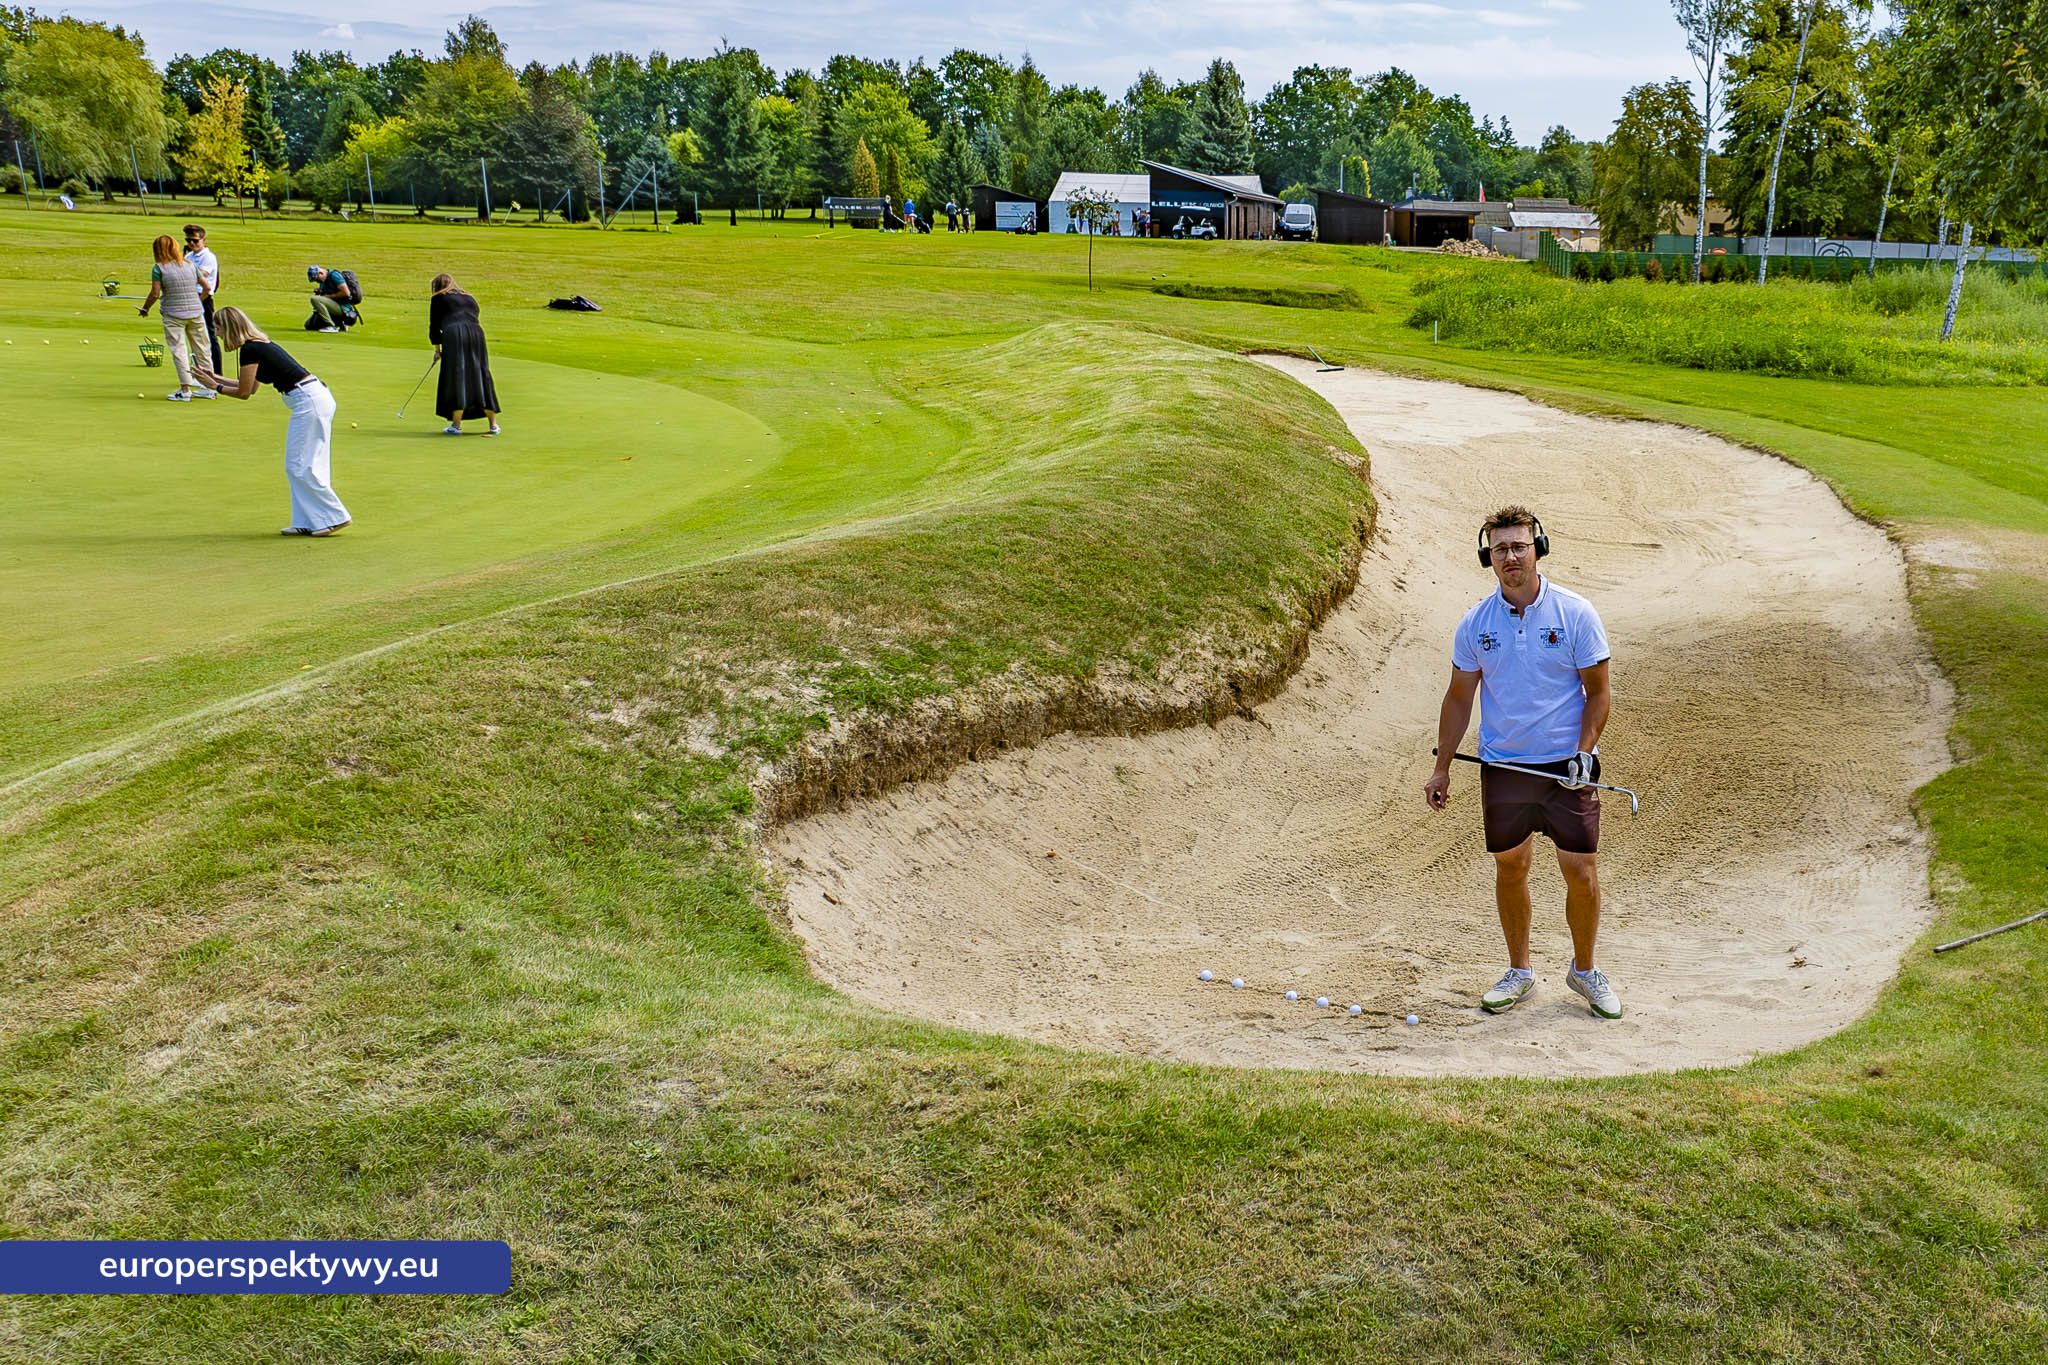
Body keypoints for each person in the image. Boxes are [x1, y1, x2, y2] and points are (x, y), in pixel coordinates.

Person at [1422, 506, 1619, 1019]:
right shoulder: (1476, 624)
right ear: (1489, 557)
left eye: (1519, 546)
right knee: (1511, 866)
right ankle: (1520, 971)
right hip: (1505, 765)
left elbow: (1598, 694)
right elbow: (1459, 698)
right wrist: (1442, 766)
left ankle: (1584, 970)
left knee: (1580, 870)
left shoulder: (1576, 613)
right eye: (1501, 548)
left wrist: (1583, 750)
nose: (1510, 556)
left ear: (1538, 549)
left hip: (1566, 766)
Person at [207, 306, 351, 536]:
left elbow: (243, 393)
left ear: (230, 327)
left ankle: (335, 516)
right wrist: (214, 377)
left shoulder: (250, 349)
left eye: (218, 327)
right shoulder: (258, 345)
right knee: (305, 464)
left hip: (309, 401)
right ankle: (308, 521)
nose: (216, 332)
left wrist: (215, 387)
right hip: (314, 398)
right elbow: (251, 387)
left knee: (297, 464)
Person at [136, 233, 216, 402]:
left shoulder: (158, 268)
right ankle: (209, 388)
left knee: (179, 350)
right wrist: (197, 302)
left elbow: (155, 293)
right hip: (196, 313)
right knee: (203, 349)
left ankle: (185, 390)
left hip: (173, 315)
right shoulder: (190, 265)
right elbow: (207, 288)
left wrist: (145, 308)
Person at [427, 273, 501, 436]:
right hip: (477, 334)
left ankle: (456, 425)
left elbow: (434, 327)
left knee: (457, 374)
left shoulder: (438, 298)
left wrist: (437, 350)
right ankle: (493, 425)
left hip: (454, 334)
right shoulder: (469, 297)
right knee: (481, 374)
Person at [183, 223, 222, 377]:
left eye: (195, 240)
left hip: (203, 299)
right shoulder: (189, 256)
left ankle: (217, 374)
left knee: (209, 336)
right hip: (190, 298)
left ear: (203, 240)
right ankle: (200, 372)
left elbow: (201, 276)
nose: (191, 244)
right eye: (188, 241)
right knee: (195, 337)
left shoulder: (208, 257)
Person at [306, 265, 359, 332]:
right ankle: (340, 324)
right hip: (334, 306)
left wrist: (328, 296)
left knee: (314, 299)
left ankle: (330, 326)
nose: (316, 281)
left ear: (320, 273)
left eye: (316, 279)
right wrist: (321, 291)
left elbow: (346, 293)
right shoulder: (323, 280)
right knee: (309, 325)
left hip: (343, 308)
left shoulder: (335, 275)